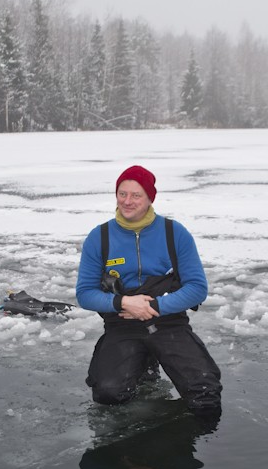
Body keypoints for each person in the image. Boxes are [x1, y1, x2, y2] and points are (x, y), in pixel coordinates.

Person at [76, 165, 222, 418]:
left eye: (136, 195)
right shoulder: (99, 237)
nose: (127, 201)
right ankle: (142, 363)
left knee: (205, 392)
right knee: (109, 394)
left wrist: (154, 306)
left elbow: (197, 288)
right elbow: (85, 294)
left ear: (149, 198)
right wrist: (123, 302)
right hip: (122, 325)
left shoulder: (174, 234)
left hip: (169, 323)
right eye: (122, 194)